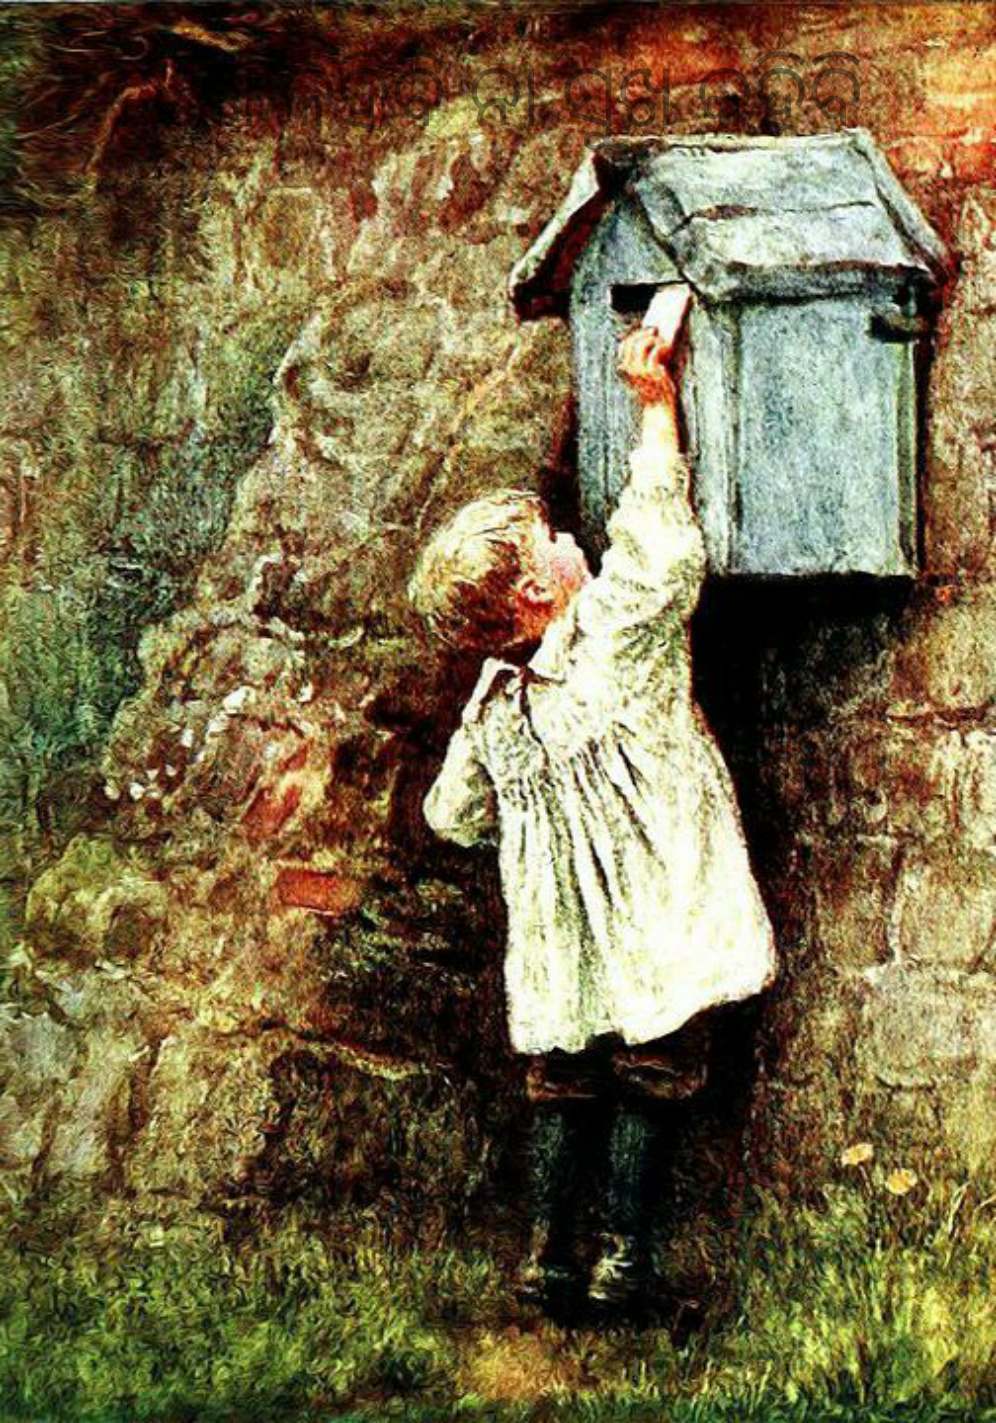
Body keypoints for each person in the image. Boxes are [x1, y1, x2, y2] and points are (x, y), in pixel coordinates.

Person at [407, 285, 777, 1316]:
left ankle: (548, 1259)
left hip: (563, 940)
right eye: (554, 542)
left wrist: (532, 813)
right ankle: (625, 1264)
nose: (576, 540)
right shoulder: (612, 635)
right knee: (658, 1067)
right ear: (538, 594)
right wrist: (654, 402)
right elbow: (660, 540)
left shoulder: (494, 699)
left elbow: (450, 815)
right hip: (654, 909)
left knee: (563, 1078)